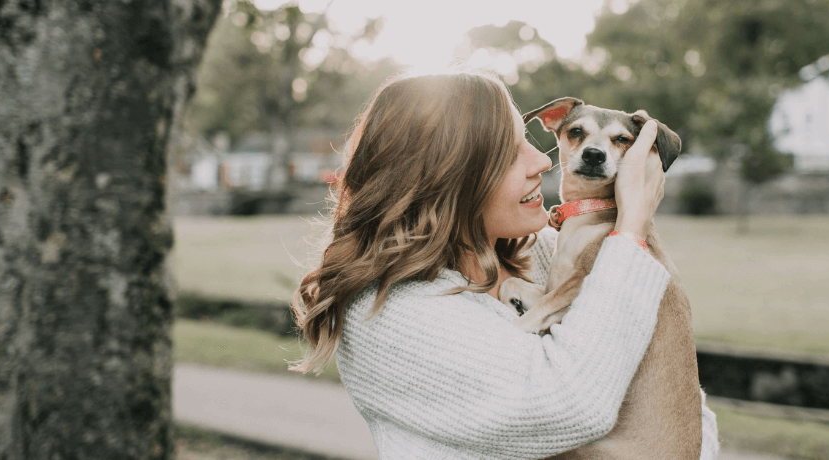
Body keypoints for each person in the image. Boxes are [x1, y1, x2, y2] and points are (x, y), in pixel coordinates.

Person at [290, 71, 719, 459]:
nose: (544, 161)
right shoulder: (388, 314)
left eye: (530, 141)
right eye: (512, 153)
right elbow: (570, 405)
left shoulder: (547, 252)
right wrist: (631, 228)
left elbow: (688, 414)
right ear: (450, 178)